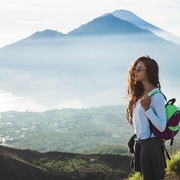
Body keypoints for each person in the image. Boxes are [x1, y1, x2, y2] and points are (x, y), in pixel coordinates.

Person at [126, 55, 167, 180]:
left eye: (139, 69)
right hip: (142, 145)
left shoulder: (157, 96)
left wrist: (147, 109)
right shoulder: (140, 94)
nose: (135, 72)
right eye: (135, 68)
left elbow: (161, 127)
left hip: (152, 147)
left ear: (148, 72)